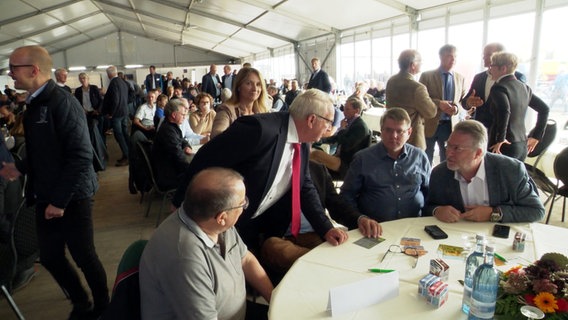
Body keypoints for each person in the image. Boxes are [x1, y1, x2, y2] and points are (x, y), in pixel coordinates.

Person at [1, 45, 109, 319]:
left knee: (84, 256)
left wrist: (60, 202)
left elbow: (81, 155)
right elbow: (43, 150)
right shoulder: (35, 102)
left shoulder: (61, 102)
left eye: (14, 67)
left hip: (72, 195)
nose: (10, 72)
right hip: (47, 193)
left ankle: (104, 309)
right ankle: (82, 303)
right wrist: (20, 167)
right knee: (49, 256)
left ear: (34, 70)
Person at [172, 89, 349, 251]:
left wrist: (326, 228)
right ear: (311, 119)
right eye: (328, 121)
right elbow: (207, 156)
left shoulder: (302, 143)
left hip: (258, 222)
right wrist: (180, 201)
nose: (329, 128)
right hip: (225, 220)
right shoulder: (260, 130)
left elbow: (304, 186)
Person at [140, 167, 273, 320]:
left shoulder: (212, 221)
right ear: (222, 217)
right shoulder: (185, 258)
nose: (243, 208)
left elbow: (246, 259)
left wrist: (274, 299)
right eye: (242, 204)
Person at [260, 160, 381, 278]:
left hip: (316, 234)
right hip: (280, 238)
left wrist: (360, 219)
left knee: (342, 244)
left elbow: (337, 204)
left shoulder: (318, 170)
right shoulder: (270, 168)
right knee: (276, 248)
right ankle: (328, 264)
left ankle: (323, 265)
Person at [424, 120, 545, 223]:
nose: (449, 153)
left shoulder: (510, 170)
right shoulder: (440, 173)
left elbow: (536, 211)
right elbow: (428, 207)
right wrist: (437, 210)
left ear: (478, 153)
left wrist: (494, 213)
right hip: (456, 238)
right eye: (448, 146)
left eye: (457, 148)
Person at [341, 107, 430, 222]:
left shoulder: (419, 157)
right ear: (381, 130)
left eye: (399, 131)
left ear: (409, 132)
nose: (393, 136)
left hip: (414, 226)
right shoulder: (363, 159)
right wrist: (359, 219)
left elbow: (429, 194)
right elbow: (346, 196)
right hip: (375, 228)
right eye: (388, 130)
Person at [487, 52, 549, 161]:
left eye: (492, 66)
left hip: (503, 146)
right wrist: (536, 136)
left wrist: (500, 139)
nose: (489, 69)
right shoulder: (524, 87)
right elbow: (544, 109)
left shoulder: (499, 87)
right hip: (521, 144)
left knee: (497, 177)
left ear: (503, 68)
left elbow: (505, 111)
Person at [462, 43, 527, 131]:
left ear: (500, 55)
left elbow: (519, 107)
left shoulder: (518, 78)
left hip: (504, 132)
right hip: (480, 129)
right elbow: (465, 102)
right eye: (483, 54)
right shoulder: (479, 77)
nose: (484, 57)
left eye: (488, 54)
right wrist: (469, 103)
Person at [419, 44, 466, 164]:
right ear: (441, 57)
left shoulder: (460, 78)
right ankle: (426, 182)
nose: (453, 60)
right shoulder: (427, 76)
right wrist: (438, 103)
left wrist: (456, 108)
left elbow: (462, 102)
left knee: (448, 159)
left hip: (449, 126)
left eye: (455, 57)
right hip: (430, 123)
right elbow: (421, 99)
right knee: (426, 158)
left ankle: (444, 182)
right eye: (450, 56)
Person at [386, 49, 437, 150]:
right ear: (413, 65)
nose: (421, 65)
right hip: (412, 139)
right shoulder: (417, 88)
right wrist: (438, 103)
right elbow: (431, 112)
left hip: (392, 134)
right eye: (420, 62)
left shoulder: (391, 81)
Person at [310, 97, 370, 178]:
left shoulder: (360, 127)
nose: (344, 112)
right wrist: (317, 140)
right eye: (344, 109)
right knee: (314, 160)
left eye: (347, 109)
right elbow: (335, 138)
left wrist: (342, 129)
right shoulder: (350, 123)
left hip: (348, 165)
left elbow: (346, 145)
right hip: (340, 158)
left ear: (357, 111)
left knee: (316, 154)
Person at [211, 67, 270, 138]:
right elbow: (217, 135)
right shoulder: (226, 110)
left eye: (258, 84)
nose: (255, 89)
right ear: (238, 86)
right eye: (249, 83)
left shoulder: (263, 110)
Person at [152, 99, 194, 190]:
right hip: (169, 175)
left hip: (171, 168)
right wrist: (193, 168)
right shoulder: (167, 131)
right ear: (174, 115)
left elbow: (182, 140)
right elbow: (178, 155)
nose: (185, 117)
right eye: (182, 115)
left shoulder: (171, 126)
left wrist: (186, 146)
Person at [102, 65, 130, 166]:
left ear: (109, 74)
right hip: (124, 112)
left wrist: (111, 113)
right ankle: (128, 154)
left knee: (119, 136)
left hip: (117, 114)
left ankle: (127, 156)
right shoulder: (122, 82)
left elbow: (115, 99)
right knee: (125, 134)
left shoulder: (113, 83)